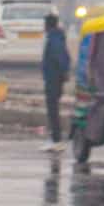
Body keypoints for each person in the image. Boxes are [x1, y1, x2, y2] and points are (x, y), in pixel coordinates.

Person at [42, 13, 70, 151]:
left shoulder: (54, 39)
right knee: (53, 109)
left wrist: (62, 73)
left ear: (48, 25)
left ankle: (57, 140)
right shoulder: (57, 37)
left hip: (53, 79)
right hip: (54, 78)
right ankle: (55, 138)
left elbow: (60, 57)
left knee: (53, 109)